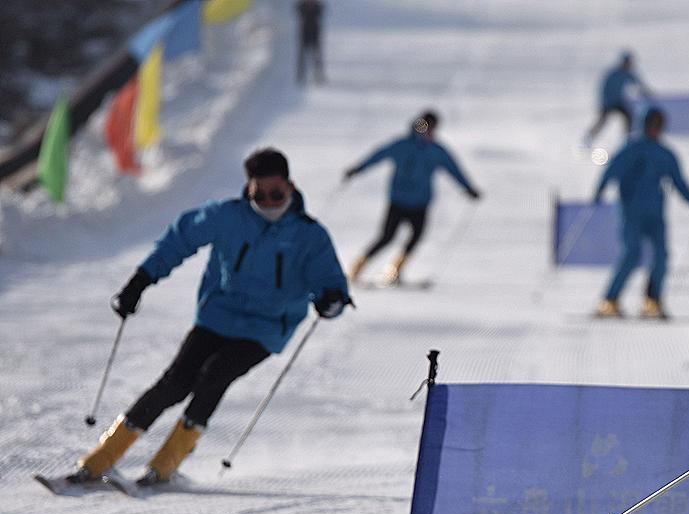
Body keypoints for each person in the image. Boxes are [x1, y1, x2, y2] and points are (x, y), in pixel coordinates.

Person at [61, 148, 350, 486]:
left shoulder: (309, 235)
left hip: (267, 328)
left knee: (216, 375)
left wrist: (332, 301)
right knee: (174, 383)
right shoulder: (228, 216)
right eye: (260, 194)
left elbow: (331, 283)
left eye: (276, 193)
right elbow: (178, 241)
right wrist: (139, 281)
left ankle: (166, 464)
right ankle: (102, 458)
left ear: (291, 186)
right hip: (217, 317)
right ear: (249, 189)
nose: (269, 202)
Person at [592, 108, 689, 319]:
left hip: (655, 214)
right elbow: (611, 171)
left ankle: (653, 302)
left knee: (661, 257)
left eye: (660, 125)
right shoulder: (630, 149)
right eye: (653, 124)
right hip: (631, 212)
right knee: (632, 254)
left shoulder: (664, 154)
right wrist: (599, 191)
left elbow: (679, 183)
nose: (656, 129)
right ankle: (609, 301)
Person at [344, 110, 481, 285]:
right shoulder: (403, 145)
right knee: (386, 237)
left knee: (416, 238)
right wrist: (358, 169)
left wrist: (468, 189)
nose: (430, 131)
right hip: (399, 201)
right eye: (427, 127)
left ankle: (395, 272)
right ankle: (357, 268)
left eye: (433, 128)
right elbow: (378, 155)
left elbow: (453, 169)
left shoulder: (436, 150)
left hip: (420, 204)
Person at [585, 51, 652, 146]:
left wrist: (647, 93)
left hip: (619, 102)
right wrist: (603, 104)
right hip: (608, 103)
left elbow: (638, 84)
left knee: (629, 118)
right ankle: (589, 137)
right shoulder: (614, 74)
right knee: (602, 122)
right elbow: (603, 88)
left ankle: (627, 140)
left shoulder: (628, 74)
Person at [296, 0, 325, 85]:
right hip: (304, 34)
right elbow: (298, 12)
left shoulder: (318, 6)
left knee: (317, 55)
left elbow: (320, 14)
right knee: (302, 56)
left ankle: (318, 75)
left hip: (315, 33)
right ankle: (301, 75)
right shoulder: (301, 6)